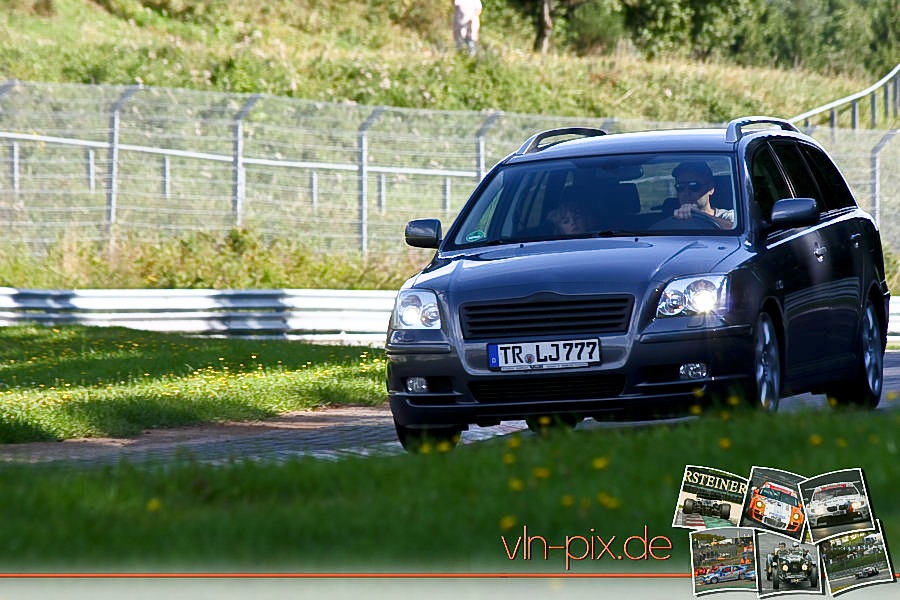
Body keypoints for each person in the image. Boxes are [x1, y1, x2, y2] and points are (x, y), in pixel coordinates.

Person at [672, 161, 734, 228]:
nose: (686, 193)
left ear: (710, 189)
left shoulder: (729, 216)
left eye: (694, 186)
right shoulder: (669, 218)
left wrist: (700, 214)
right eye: (680, 187)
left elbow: (734, 230)